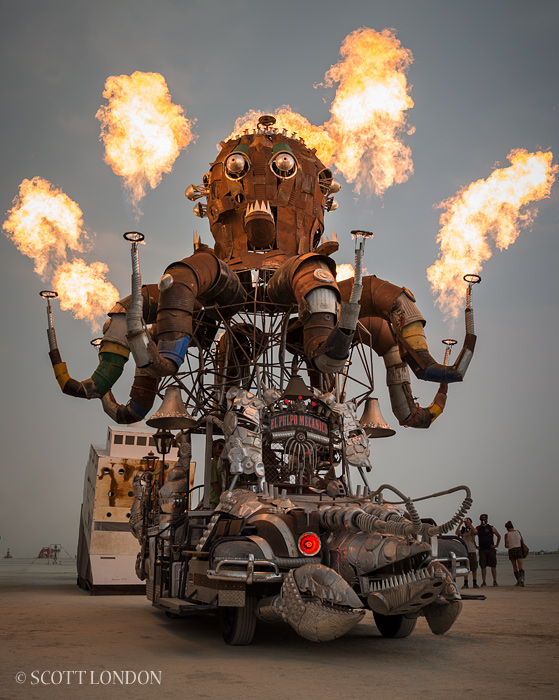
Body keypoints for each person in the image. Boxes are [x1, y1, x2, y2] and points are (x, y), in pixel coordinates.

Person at [475, 514, 501, 586]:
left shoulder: (491, 527)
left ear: (487, 519)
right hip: (482, 550)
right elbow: (472, 535)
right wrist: (475, 546)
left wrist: (496, 545)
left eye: (485, 518)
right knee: (483, 566)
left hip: (491, 549)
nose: (483, 520)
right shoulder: (478, 528)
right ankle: (484, 582)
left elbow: (498, 536)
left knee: (493, 566)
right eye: (482, 518)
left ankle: (495, 581)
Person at [455, 517, 479, 588]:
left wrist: (470, 524)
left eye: (467, 522)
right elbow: (456, 532)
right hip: (464, 551)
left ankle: (475, 582)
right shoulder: (463, 531)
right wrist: (460, 523)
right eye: (466, 523)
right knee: (465, 567)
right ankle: (465, 583)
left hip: (472, 550)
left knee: (474, 567)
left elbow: (475, 532)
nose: (466, 524)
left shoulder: (472, 529)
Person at [504, 521, 525, 587]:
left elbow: (506, 545)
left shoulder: (507, 535)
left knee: (514, 567)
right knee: (520, 566)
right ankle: (522, 580)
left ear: (506, 528)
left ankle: (518, 581)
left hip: (511, 550)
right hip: (519, 549)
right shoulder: (518, 532)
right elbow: (522, 541)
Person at [209, 439, 226, 507]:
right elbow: (214, 483)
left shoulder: (227, 463)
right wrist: (223, 498)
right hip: (216, 501)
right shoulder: (213, 463)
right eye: (218, 446)